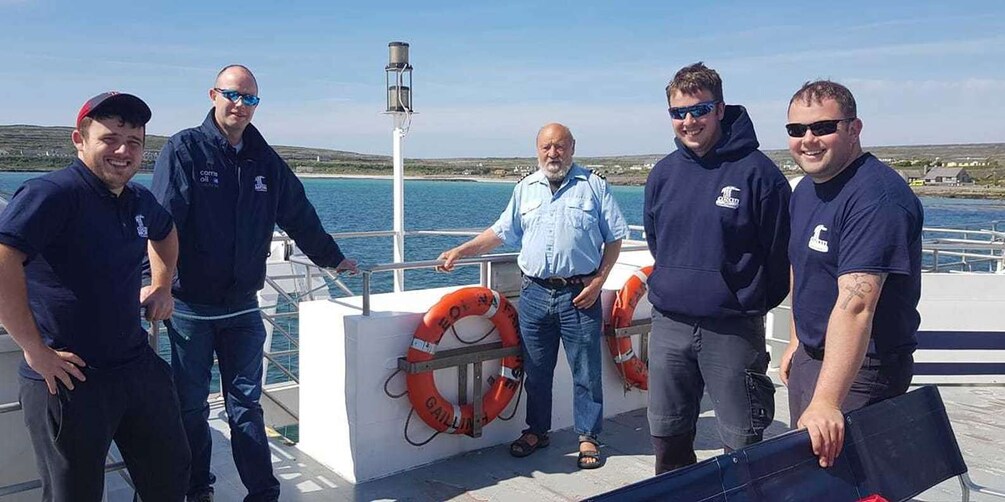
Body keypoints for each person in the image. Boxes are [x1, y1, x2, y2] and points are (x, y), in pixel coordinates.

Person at [151, 65, 357, 502]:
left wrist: (332, 258)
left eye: (250, 99)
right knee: (190, 406)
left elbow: (298, 212)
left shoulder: (265, 159)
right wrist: (154, 283)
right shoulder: (184, 149)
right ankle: (197, 488)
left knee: (245, 406)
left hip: (243, 305)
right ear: (213, 95)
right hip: (191, 308)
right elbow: (161, 222)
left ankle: (263, 493)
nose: (241, 106)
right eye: (233, 95)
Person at [0, 92, 190, 501]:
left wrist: (161, 285)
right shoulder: (52, 194)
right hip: (68, 376)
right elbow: (2, 261)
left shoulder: (139, 199)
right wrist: (34, 349)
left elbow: (165, 232)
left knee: (171, 478)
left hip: (134, 365)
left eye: (134, 142)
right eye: (110, 139)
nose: (123, 151)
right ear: (79, 140)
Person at [437, 123, 628, 469]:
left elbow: (615, 238)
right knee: (537, 372)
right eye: (546, 147)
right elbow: (500, 232)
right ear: (537, 150)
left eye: (559, 146)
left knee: (586, 371)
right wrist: (461, 250)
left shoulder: (594, 187)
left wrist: (599, 281)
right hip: (535, 295)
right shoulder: (526, 188)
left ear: (572, 147)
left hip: (579, 296)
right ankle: (537, 431)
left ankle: (588, 437)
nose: (552, 153)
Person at [643, 62, 791, 474]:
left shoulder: (760, 174)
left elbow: (779, 254)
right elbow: (659, 241)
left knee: (741, 442)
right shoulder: (662, 174)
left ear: (720, 109)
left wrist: (742, 299)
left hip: (732, 328)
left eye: (698, 110)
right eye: (678, 113)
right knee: (667, 436)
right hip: (669, 323)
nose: (688, 122)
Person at [781, 80, 922, 468]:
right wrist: (796, 338)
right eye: (796, 130)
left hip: (862, 369)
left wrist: (827, 400)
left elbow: (857, 304)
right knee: (810, 476)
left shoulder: (877, 198)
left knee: (849, 481)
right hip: (813, 357)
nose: (808, 139)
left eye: (823, 127)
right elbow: (803, 264)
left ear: (854, 128)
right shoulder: (806, 190)